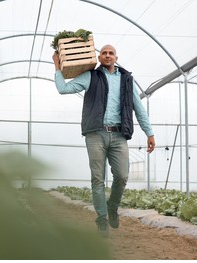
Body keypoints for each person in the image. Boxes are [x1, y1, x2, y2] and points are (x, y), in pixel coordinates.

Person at [52, 44, 155, 237]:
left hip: (119, 135)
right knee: (97, 179)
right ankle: (101, 219)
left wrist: (149, 133)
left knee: (122, 176)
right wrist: (57, 67)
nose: (107, 56)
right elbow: (63, 88)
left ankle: (112, 207)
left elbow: (138, 108)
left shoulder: (126, 79)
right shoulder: (91, 76)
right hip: (95, 134)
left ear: (116, 57)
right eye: (104, 53)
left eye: (111, 53)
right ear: (99, 58)